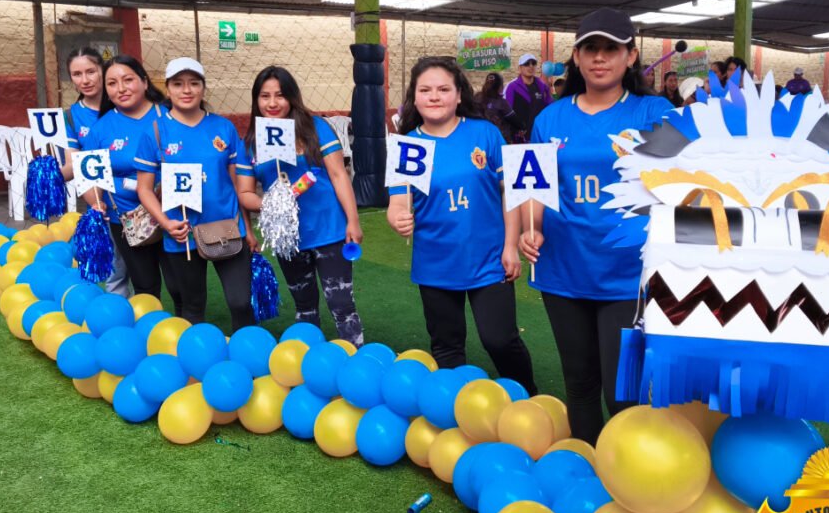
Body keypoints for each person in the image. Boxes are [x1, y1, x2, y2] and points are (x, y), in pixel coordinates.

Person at [519, 9, 671, 442]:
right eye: (590, 48)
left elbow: (681, 182)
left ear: (631, 56)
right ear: (576, 56)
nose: (599, 57)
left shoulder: (655, 112)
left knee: (623, 392)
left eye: (611, 49)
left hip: (627, 272)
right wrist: (531, 227)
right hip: (562, 269)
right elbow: (535, 186)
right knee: (579, 382)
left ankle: (631, 473)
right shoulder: (550, 119)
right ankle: (588, 467)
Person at [386, 56, 535, 392]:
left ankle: (527, 398)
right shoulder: (408, 145)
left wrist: (511, 246)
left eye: (443, 89)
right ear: (414, 97)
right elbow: (397, 205)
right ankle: (454, 411)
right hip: (435, 264)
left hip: (489, 260)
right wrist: (398, 219)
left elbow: (509, 192)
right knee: (447, 348)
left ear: (458, 95)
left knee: (500, 340)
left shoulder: (485, 133)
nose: (434, 96)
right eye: (425, 90)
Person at [237, 66, 364, 346]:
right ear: (256, 100)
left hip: (329, 229)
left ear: (292, 97)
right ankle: (308, 360)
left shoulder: (316, 127)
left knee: (342, 304)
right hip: (288, 238)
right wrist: (273, 203)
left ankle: (355, 357)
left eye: (280, 95)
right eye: (265, 96)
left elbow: (338, 174)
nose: (272, 103)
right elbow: (244, 193)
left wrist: (353, 220)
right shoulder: (251, 143)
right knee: (305, 307)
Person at [136, 58, 256, 332]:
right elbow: (144, 189)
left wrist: (247, 228)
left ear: (203, 87)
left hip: (227, 227)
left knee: (240, 302)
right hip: (183, 233)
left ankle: (247, 353)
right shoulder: (155, 131)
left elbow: (237, 184)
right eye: (178, 84)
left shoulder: (223, 127)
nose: (186, 90)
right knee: (192, 305)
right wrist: (167, 224)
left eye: (194, 83)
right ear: (168, 89)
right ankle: (195, 356)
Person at [79, 55, 178, 307]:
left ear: (144, 82)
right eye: (112, 83)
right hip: (125, 219)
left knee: (180, 284)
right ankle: (149, 325)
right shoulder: (101, 128)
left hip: (173, 213)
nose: (121, 88)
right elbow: (89, 178)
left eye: (128, 80)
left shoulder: (171, 117)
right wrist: (95, 202)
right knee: (145, 285)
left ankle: (187, 323)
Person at [62, 47, 130, 296]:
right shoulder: (71, 117)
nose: (85, 80)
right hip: (103, 200)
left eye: (91, 71)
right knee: (116, 270)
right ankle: (118, 313)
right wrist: (48, 177)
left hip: (140, 195)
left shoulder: (126, 103)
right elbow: (74, 165)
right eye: (77, 74)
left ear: (103, 70)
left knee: (150, 266)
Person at [504, 53, 552, 141]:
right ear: (520, 68)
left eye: (533, 63)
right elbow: (507, 112)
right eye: (526, 64)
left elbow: (549, 108)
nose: (531, 66)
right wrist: (516, 129)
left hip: (539, 136)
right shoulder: (512, 87)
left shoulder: (542, 86)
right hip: (519, 138)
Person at [476, 72, 522, 143]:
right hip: (499, 141)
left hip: (480, 139)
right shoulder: (501, 102)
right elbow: (515, 120)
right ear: (500, 87)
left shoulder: (476, 97)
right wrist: (523, 127)